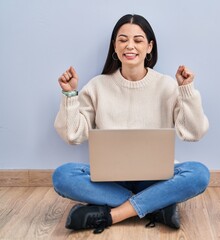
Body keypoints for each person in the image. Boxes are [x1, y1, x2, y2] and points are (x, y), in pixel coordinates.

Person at [52, 14, 210, 234]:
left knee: (199, 173)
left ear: (149, 47)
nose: (130, 46)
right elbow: (72, 135)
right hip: (110, 181)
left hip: (156, 179)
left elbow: (195, 132)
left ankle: (112, 214)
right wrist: (70, 94)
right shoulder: (97, 86)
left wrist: (186, 91)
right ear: (114, 47)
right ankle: (155, 207)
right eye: (123, 40)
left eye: (138, 40)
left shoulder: (167, 85)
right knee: (62, 176)